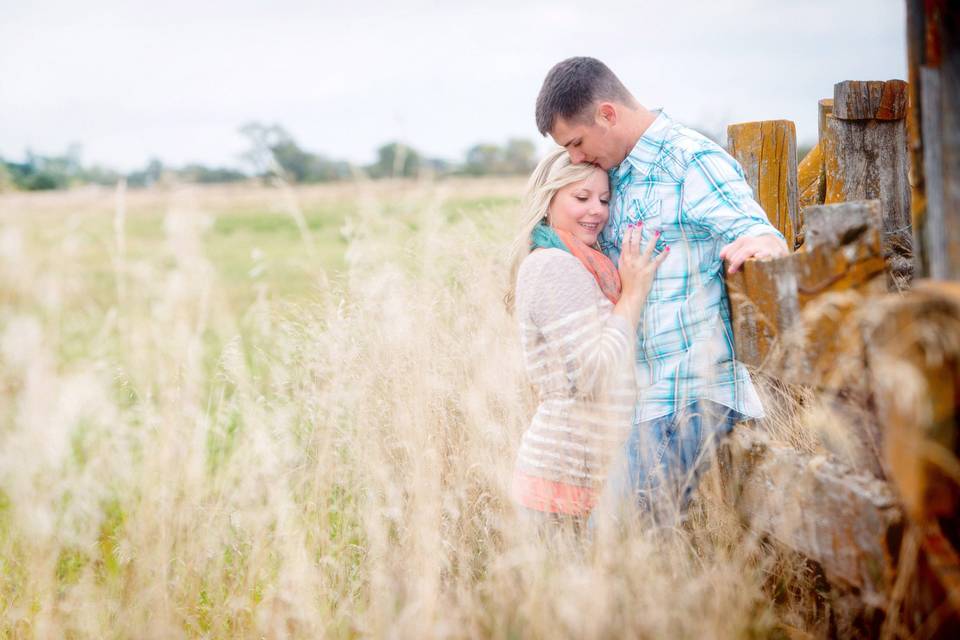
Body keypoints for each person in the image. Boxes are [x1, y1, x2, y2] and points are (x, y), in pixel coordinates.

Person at [534, 57, 790, 524]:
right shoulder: (615, 174)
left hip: (688, 393)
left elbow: (755, 228)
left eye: (576, 142)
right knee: (624, 556)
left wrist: (763, 241)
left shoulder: (689, 160)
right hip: (640, 406)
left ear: (607, 115)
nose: (573, 157)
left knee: (610, 545)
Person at [506, 147, 667, 529]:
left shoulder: (582, 263)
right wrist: (632, 295)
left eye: (604, 199)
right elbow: (592, 375)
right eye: (581, 198)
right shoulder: (553, 266)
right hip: (560, 486)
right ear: (548, 201)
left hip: (582, 481)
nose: (596, 210)